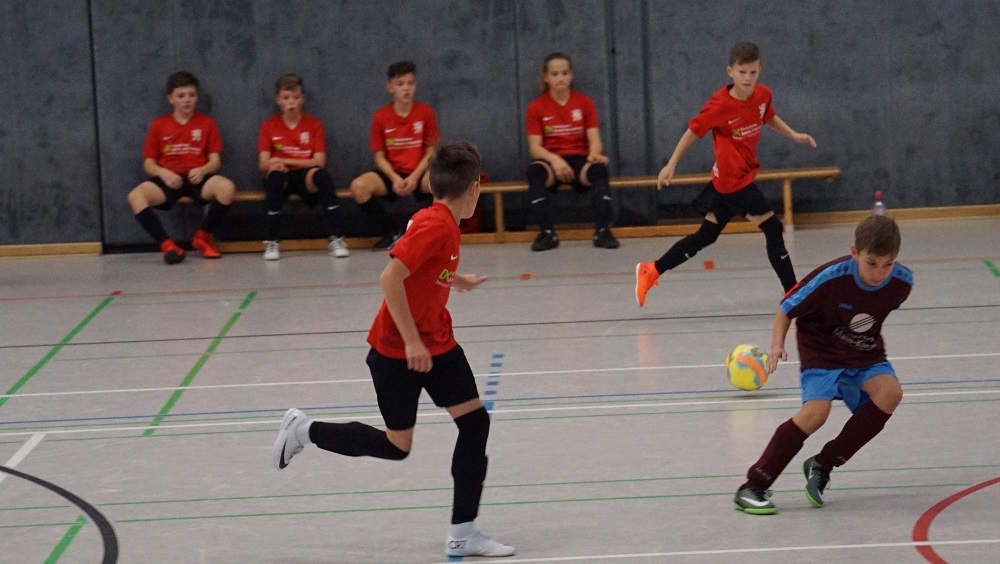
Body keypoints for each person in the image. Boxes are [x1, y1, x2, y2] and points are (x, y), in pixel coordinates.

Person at [272, 141, 515, 558]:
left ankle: (463, 532)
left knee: (475, 424)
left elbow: (426, 266)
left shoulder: (441, 221)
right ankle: (303, 430)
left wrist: (457, 280)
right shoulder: (436, 225)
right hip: (397, 352)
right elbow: (390, 277)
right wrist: (412, 341)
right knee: (397, 446)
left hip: (438, 343)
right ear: (474, 188)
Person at [733, 214, 913, 515]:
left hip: (863, 350)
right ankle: (752, 486)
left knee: (891, 394)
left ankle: (823, 464)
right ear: (854, 252)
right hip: (821, 347)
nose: (879, 273)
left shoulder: (902, 283)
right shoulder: (830, 277)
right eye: (871, 263)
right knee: (816, 414)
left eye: (888, 264)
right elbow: (786, 308)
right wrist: (777, 345)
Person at [634, 42, 816, 306]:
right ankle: (792, 291)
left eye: (753, 72)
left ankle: (651, 270)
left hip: (730, 181)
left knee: (705, 236)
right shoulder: (720, 105)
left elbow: (767, 116)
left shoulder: (763, 95)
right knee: (773, 228)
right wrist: (671, 164)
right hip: (734, 183)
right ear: (730, 71)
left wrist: (794, 135)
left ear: (760, 70)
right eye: (742, 72)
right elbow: (692, 132)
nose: (748, 78)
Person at [127, 71, 235, 264]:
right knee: (135, 196)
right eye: (181, 96)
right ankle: (168, 246)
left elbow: (215, 161)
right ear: (171, 99)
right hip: (169, 179)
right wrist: (163, 173)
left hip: (197, 178)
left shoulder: (207, 123)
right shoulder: (159, 125)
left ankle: (202, 238)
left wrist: (202, 170)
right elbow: (148, 163)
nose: (187, 100)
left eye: (191, 95)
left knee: (227, 188)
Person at [525, 52, 619, 251]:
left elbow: (594, 138)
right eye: (555, 74)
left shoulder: (585, 103)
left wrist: (594, 155)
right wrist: (555, 160)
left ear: (571, 75)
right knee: (535, 172)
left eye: (565, 73)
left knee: (599, 170)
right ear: (546, 77)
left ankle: (603, 231)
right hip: (552, 161)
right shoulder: (536, 107)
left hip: (580, 159)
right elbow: (535, 147)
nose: (560, 78)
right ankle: (547, 233)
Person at [348, 60, 439, 250]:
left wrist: (414, 177)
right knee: (358, 187)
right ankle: (393, 232)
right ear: (390, 88)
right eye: (400, 84)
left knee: (443, 184)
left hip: (419, 171)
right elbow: (379, 156)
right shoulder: (381, 116)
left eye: (410, 83)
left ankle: (424, 231)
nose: (406, 88)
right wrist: (394, 178)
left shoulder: (426, 113)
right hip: (393, 173)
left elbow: (431, 151)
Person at [258, 74, 349, 260]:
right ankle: (272, 242)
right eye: (286, 98)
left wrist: (286, 160)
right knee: (274, 177)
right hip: (281, 175)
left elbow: (319, 161)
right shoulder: (269, 125)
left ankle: (336, 238)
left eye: (295, 97)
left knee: (322, 176)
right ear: (278, 100)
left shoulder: (314, 125)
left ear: (303, 99)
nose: (291, 102)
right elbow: (263, 163)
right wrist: (275, 163)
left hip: (304, 174)